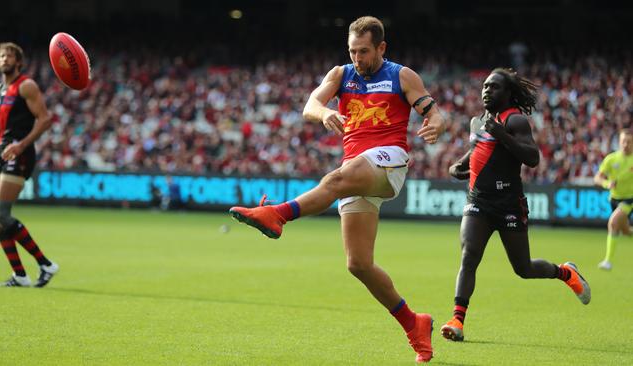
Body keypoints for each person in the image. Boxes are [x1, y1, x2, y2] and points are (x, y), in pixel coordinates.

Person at [229, 16, 445, 363]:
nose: (357, 58)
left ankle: (277, 215)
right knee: (358, 264)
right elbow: (310, 105)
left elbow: (435, 114)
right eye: (352, 51)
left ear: (381, 48)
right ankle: (414, 324)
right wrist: (323, 113)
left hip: (389, 159)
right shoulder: (341, 74)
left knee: (334, 179)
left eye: (364, 51)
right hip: (358, 169)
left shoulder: (401, 75)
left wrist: (434, 125)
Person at [442, 68, 591, 342]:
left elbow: (532, 158)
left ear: (508, 93)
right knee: (469, 255)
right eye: (485, 86)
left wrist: (502, 134)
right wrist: (457, 167)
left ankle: (565, 273)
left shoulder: (515, 121)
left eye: (494, 87)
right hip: (479, 202)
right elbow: (473, 155)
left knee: (523, 269)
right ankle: (457, 320)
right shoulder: (484, 121)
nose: (487, 90)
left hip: (509, 205)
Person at [0, 42, 58, 287]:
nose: (4, 58)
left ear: (19, 62)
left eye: (9, 55)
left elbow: (45, 120)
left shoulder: (26, 85)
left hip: (20, 153)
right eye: (1, 55)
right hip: (2, 152)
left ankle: (46, 264)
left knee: (1, 213)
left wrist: (21, 145)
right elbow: (1, 124)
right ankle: (20, 275)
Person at [593, 129, 633, 271]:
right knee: (626, 231)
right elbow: (597, 177)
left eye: (629, 142)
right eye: (623, 141)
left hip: (629, 200)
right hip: (614, 199)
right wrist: (606, 184)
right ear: (619, 142)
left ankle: (607, 261)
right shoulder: (611, 159)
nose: (626, 144)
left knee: (613, 223)